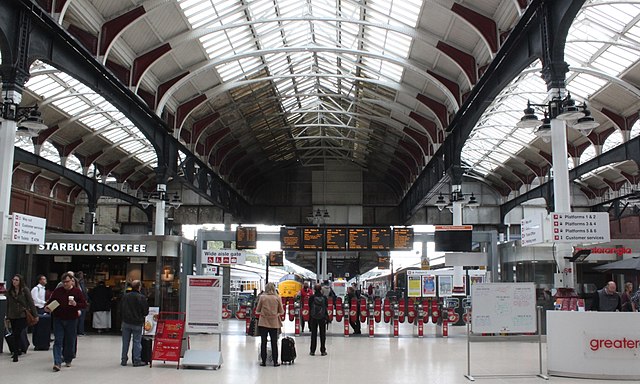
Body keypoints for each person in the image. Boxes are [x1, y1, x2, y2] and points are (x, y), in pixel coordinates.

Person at [45, 272, 87, 371]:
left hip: (71, 319)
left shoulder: (77, 292)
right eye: (63, 282)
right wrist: (48, 307)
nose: (65, 284)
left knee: (70, 340)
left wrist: (76, 304)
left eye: (67, 282)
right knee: (58, 340)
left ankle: (68, 358)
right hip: (58, 318)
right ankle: (57, 362)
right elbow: (51, 301)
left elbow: (84, 304)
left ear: (72, 281)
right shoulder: (58, 291)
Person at [6, 274, 38, 362]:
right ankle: (17, 349)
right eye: (13, 280)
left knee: (17, 332)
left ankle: (16, 352)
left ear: (20, 281)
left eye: (16, 280)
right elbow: (8, 304)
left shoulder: (25, 290)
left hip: (22, 315)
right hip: (13, 315)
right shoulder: (10, 291)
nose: (14, 281)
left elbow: (31, 302)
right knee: (15, 333)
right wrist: (7, 315)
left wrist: (35, 315)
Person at [120, 280, 150, 367]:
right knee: (137, 341)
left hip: (126, 322)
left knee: (125, 342)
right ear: (139, 287)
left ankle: (123, 360)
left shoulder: (125, 296)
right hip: (137, 322)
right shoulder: (141, 297)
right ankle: (136, 360)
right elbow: (145, 312)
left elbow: (120, 309)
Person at [256, 282, 284, 367]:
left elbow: (258, 310)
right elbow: (281, 311)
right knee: (274, 342)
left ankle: (263, 361)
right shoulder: (277, 298)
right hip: (274, 322)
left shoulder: (262, 297)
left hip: (263, 322)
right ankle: (275, 361)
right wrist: (276, 314)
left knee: (263, 342)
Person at [309, 283, 328, 356]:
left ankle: (312, 350)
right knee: (322, 334)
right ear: (321, 289)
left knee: (313, 334)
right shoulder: (324, 298)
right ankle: (323, 350)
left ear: (314, 289)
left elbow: (310, 306)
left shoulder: (312, 297)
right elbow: (326, 306)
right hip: (322, 317)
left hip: (313, 317)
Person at [75, 271, 89, 335]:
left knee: (81, 317)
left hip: (81, 302)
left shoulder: (81, 283)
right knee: (80, 317)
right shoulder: (81, 283)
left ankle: (80, 330)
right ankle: (80, 331)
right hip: (80, 302)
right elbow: (84, 292)